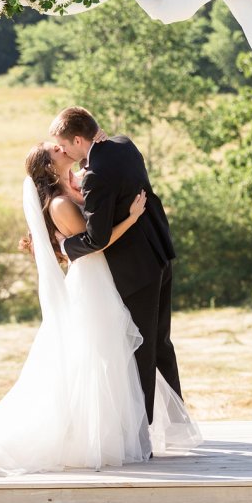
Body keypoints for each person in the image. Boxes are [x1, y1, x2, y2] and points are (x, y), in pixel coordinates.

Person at [0, 142, 200, 478]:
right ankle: (99, 435)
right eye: (54, 150)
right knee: (99, 355)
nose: (61, 148)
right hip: (93, 281)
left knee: (107, 355)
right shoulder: (62, 204)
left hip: (101, 281)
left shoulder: (73, 187)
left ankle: (119, 431)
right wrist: (133, 217)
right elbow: (97, 243)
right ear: (50, 167)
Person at [50, 106, 181, 428]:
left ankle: (141, 432)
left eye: (64, 145)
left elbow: (96, 239)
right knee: (160, 343)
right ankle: (177, 424)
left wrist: (64, 247)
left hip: (134, 270)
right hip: (160, 256)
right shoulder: (124, 145)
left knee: (140, 347)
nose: (62, 150)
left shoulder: (96, 176)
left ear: (79, 139)